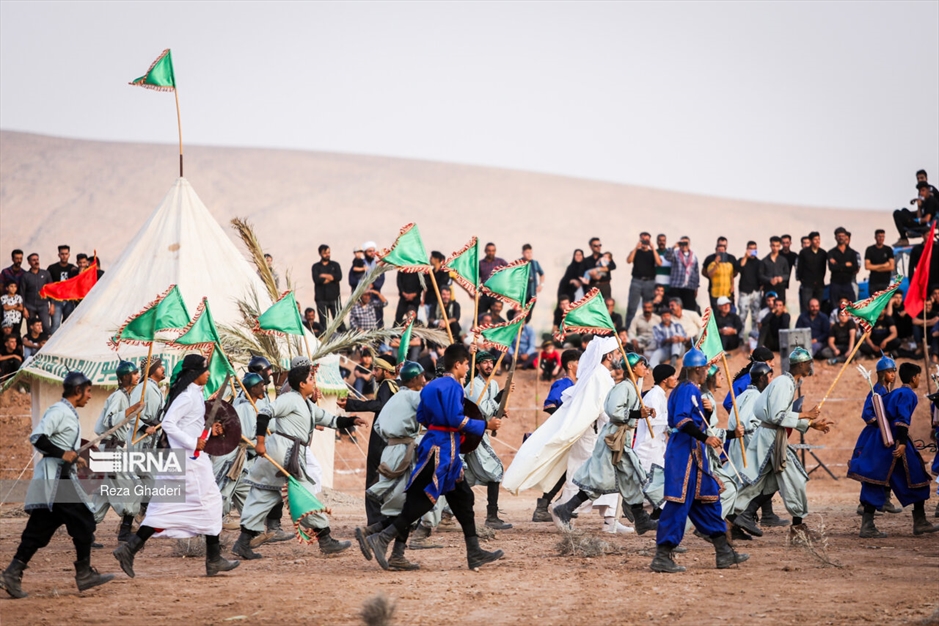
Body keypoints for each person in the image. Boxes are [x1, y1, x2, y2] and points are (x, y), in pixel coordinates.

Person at [358, 343, 504, 572]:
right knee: (423, 499)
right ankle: (383, 537)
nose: (467, 369)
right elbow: (457, 420)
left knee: (463, 498)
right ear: (457, 365)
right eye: (466, 364)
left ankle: (473, 550)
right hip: (443, 450)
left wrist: (439, 427)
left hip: (438, 446)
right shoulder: (454, 387)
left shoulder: (429, 388)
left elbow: (423, 417)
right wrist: (485, 424)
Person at [112, 355, 240, 578]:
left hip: (185, 459)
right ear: (194, 373)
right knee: (210, 501)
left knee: (164, 509)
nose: (208, 373)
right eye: (205, 370)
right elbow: (169, 424)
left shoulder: (194, 395)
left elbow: (191, 426)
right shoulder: (188, 397)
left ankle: (130, 548)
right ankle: (213, 559)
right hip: (188, 461)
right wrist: (193, 443)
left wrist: (209, 433)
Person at [233, 359, 364, 559]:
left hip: (283, 454)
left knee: (263, 495)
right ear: (302, 384)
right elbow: (265, 414)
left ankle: (242, 543)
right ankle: (325, 540)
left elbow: (331, 420)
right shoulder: (290, 399)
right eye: (311, 378)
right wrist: (260, 442)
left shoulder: (306, 405)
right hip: (284, 455)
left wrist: (352, 420)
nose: (314, 382)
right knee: (304, 495)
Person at [2, 372, 114, 598]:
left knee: (39, 529)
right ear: (78, 391)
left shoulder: (68, 413)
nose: (90, 397)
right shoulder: (59, 411)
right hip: (56, 479)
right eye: (88, 391)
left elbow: (60, 446)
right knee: (84, 519)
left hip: (61, 476)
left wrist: (75, 457)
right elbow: (38, 438)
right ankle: (84, 574)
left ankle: (12, 573)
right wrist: (63, 454)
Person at [503, 336, 620, 528]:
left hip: (599, 434)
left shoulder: (602, 375)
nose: (618, 356)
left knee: (610, 474)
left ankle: (610, 520)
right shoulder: (597, 376)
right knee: (581, 476)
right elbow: (599, 408)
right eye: (616, 353)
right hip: (590, 435)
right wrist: (618, 418)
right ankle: (561, 507)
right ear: (608, 356)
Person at [649, 349, 748, 573]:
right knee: (677, 503)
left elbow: (697, 420)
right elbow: (681, 421)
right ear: (696, 369)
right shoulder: (686, 389)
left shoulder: (692, 391)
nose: (707, 372)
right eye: (705, 369)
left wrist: (707, 412)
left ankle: (723, 551)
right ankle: (662, 556)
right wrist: (705, 437)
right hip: (683, 454)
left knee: (708, 500)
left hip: (696, 455)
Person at [552, 353, 658, 536]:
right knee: (600, 480)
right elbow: (613, 411)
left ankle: (640, 519)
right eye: (642, 364)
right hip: (612, 441)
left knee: (630, 477)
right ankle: (566, 509)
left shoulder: (632, 387)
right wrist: (636, 414)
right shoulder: (623, 387)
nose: (645, 368)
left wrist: (642, 412)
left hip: (621, 441)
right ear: (633, 368)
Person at [733, 348, 833, 542]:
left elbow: (782, 416)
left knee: (767, 483)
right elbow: (778, 416)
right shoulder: (785, 383)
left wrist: (812, 424)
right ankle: (797, 528)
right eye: (809, 363)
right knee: (795, 478)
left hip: (773, 437)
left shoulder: (787, 382)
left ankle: (741, 515)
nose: (811, 366)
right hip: (771, 440)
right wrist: (806, 415)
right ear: (801, 365)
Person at [849, 363, 938, 536]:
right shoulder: (907, 394)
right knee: (916, 475)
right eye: (918, 376)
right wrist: (903, 443)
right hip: (895, 440)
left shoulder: (894, 392)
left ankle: (870, 524)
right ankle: (919, 521)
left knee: (876, 478)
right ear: (914, 378)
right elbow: (902, 419)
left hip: (882, 441)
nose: (919, 379)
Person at [355, 362, 427, 570]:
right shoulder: (415, 397)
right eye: (422, 376)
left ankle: (384, 543)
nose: (424, 380)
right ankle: (383, 542)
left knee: (402, 505)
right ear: (414, 379)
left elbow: (378, 426)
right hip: (404, 452)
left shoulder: (393, 398)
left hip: (390, 450)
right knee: (410, 505)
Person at [213, 373, 273, 538]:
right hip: (232, 456)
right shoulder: (245, 407)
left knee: (246, 492)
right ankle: (206, 531)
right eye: (261, 385)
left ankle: (255, 532)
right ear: (253, 389)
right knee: (222, 493)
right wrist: (263, 443)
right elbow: (246, 435)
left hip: (241, 458)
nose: (264, 388)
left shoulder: (252, 405)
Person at [342, 355, 399, 526]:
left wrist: (351, 405)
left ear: (386, 371)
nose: (373, 373)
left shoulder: (386, 385)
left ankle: (375, 521)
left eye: (377, 369)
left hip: (380, 442)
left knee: (374, 481)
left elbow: (378, 405)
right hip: (392, 440)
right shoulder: (398, 386)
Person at [91, 361, 144, 543]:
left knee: (103, 495)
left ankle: (84, 532)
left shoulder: (125, 396)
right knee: (134, 485)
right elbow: (111, 420)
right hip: (112, 450)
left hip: (111, 450)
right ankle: (125, 531)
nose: (138, 376)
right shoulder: (119, 397)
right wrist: (132, 409)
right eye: (135, 373)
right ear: (125, 377)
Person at [462, 351, 515, 530]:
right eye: (484, 362)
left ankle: (445, 513)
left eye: (491, 362)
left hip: (481, 433)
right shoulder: (473, 386)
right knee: (495, 470)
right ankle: (491, 516)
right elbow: (480, 411)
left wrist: (501, 410)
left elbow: (492, 410)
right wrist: (500, 396)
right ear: (477, 366)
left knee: (465, 477)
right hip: (473, 433)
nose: (489, 365)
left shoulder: (492, 383)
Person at [532, 349, 581, 522]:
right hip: (563, 433)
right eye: (578, 361)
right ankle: (545, 507)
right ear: (570, 365)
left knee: (569, 470)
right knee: (563, 470)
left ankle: (555, 505)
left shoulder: (579, 384)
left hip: (575, 434)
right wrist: (564, 420)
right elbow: (549, 405)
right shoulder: (563, 384)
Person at [725, 362, 773, 479]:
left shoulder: (742, 395)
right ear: (762, 378)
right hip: (745, 449)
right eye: (770, 376)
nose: (772, 380)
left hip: (738, 447)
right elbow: (747, 426)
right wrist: (758, 449)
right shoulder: (755, 396)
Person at [634, 363, 675, 473]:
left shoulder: (661, 396)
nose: (675, 379)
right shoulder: (653, 396)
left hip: (657, 449)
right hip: (647, 451)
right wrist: (673, 417)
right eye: (673, 376)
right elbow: (651, 420)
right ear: (665, 379)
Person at [625, 232, 661, 329]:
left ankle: (649, 329)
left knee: (649, 307)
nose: (644, 242)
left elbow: (659, 263)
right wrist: (636, 247)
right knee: (632, 307)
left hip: (649, 282)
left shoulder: (652, 253)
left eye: (647, 240)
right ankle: (628, 330)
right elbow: (629, 260)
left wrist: (653, 248)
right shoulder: (636, 252)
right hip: (636, 281)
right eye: (643, 240)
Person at [894, 181, 939, 245]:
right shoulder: (925, 200)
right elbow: (919, 216)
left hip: (925, 226)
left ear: (928, 190)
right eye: (920, 191)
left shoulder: (931, 201)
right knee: (904, 210)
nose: (921, 193)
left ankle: (903, 238)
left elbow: (927, 219)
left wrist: (916, 220)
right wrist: (919, 207)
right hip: (921, 223)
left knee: (897, 213)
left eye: (923, 190)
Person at [702, 237, 738, 312]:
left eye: (723, 249)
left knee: (730, 311)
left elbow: (733, 274)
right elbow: (705, 272)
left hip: (727, 292)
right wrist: (716, 264)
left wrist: (732, 285)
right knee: (716, 312)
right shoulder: (711, 260)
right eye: (719, 249)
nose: (721, 252)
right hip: (715, 291)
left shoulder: (730, 259)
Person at [47, 245, 77, 332]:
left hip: (69, 301)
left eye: (66, 254)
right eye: (62, 254)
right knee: (55, 325)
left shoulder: (73, 268)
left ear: (69, 255)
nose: (64, 256)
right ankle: (53, 345)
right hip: (57, 301)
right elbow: (49, 286)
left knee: (68, 324)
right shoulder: (52, 268)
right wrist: (51, 302)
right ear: (59, 255)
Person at [311, 245, 343, 326]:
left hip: (334, 298)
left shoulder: (335, 265)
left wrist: (323, 275)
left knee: (339, 322)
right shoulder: (316, 267)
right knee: (323, 323)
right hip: (321, 299)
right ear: (320, 254)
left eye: (328, 252)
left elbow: (338, 277)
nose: (327, 255)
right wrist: (332, 277)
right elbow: (317, 280)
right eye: (325, 253)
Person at [796, 232, 827, 314]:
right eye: (815, 239)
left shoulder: (823, 253)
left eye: (818, 239)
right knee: (806, 307)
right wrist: (803, 280)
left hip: (819, 284)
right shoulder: (804, 253)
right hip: (807, 284)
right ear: (811, 241)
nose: (817, 241)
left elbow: (823, 269)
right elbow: (800, 269)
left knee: (818, 307)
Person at [828, 228, 860, 305]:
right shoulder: (831, 252)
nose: (841, 237)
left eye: (843, 236)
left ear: (846, 237)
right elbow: (832, 268)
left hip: (848, 283)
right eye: (839, 236)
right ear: (835, 237)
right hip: (835, 283)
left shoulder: (852, 253)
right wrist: (845, 265)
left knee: (852, 307)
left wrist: (838, 265)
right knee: (834, 306)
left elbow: (855, 268)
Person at [22, 253, 52, 334]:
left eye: (37, 259)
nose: (36, 262)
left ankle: (46, 344)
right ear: (29, 263)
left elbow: (51, 289)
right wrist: (24, 308)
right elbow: (22, 293)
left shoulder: (46, 274)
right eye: (33, 260)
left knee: (46, 327)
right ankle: (32, 345)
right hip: (30, 306)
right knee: (31, 328)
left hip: (43, 305)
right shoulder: (26, 276)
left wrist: (52, 304)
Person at [668, 236, 699, 311]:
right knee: (675, 308)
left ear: (689, 244)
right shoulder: (675, 254)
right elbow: (667, 257)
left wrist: (696, 287)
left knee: (689, 309)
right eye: (682, 243)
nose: (684, 245)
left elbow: (696, 272)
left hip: (689, 287)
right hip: (676, 286)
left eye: (686, 243)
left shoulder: (694, 256)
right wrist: (674, 246)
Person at [737, 240, 762, 332]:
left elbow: (762, 275)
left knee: (756, 317)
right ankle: (740, 338)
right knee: (742, 316)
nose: (752, 251)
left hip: (756, 292)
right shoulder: (742, 260)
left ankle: (754, 336)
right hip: (744, 292)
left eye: (754, 249)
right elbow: (739, 268)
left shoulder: (759, 263)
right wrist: (746, 256)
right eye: (750, 249)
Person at [864, 229, 896, 295]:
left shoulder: (888, 250)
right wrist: (884, 265)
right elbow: (867, 266)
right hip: (874, 282)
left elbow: (891, 267)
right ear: (875, 237)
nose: (881, 238)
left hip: (886, 282)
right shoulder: (870, 250)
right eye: (879, 236)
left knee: (885, 303)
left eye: (882, 236)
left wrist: (875, 268)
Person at [759, 237, 789, 305]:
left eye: (777, 246)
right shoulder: (764, 261)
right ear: (770, 246)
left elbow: (787, 274)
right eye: (773, 245)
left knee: (780, 307)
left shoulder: (783, 260)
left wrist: (781, 278)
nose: (775, 248)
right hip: (768, 288)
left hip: (780, 288)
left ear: (780, 246)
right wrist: (770, 280)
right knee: (767, 308)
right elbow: (760, 275)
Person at [479, 243, 507, 312]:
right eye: (489, 250)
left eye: (493, 250)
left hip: (496, 295)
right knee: (480, 316)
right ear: (485, 251)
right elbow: (475, 279)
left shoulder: (500, 262)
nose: (491, 252)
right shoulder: (480, 263)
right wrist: (476, 293)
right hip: (484, 294)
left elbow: (510, 272)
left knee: (495, 317)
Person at [521, 244, 544, 319]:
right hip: (522, 294)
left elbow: (542, 274)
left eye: (530, 252)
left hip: (532, 294)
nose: (529, 254)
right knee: (520, 313)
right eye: (527, 252)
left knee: (528, 315)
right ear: (523, 253)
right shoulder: (519, 263)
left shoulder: (535, 263)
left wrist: (541, 285)